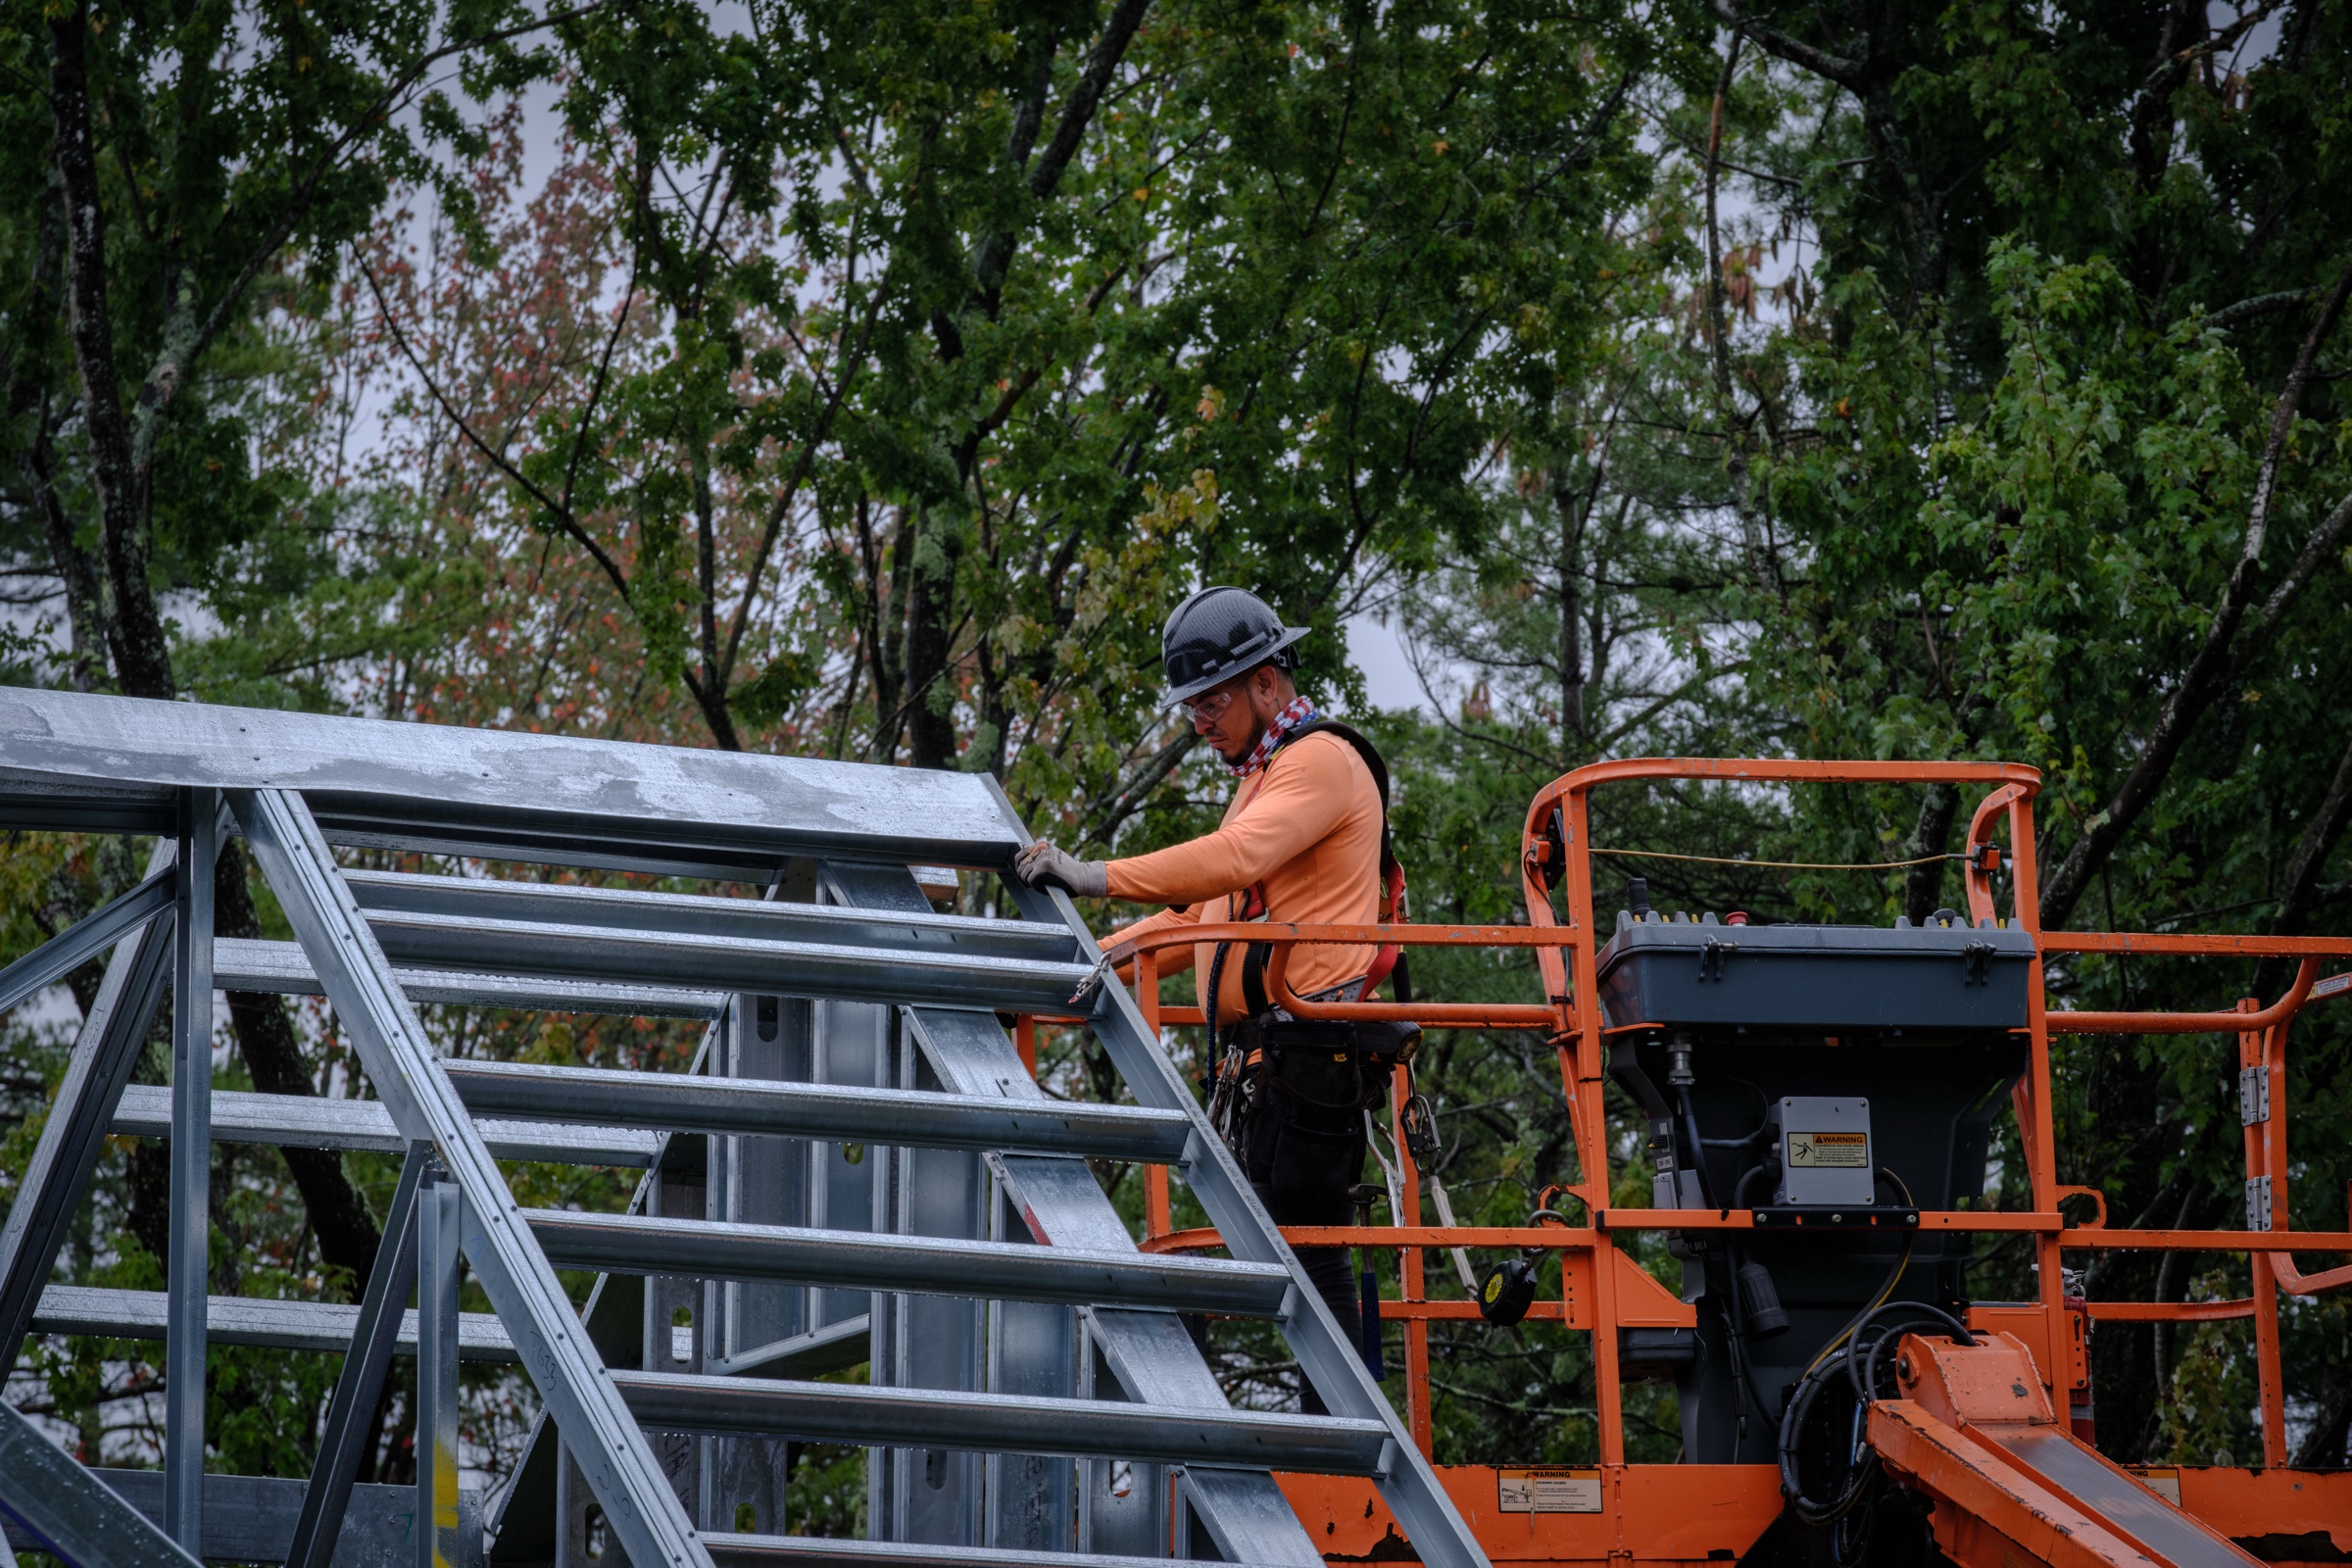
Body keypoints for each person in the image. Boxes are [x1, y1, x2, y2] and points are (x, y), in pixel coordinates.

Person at [1014, 586, 1407, 1410]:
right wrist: (1072, 969)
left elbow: (1231, 863)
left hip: (1311, 1044)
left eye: (1213, 699)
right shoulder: (1267, 773)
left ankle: (1331, 1431)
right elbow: (1198, 914)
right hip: (1274, 1052)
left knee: (1296, 1244)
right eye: (1191, 705)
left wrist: (1094, 877)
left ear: (1269, 683)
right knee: (1292, 1243)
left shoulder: (1318, 762)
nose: (1199, 719)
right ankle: (1329, 1423)